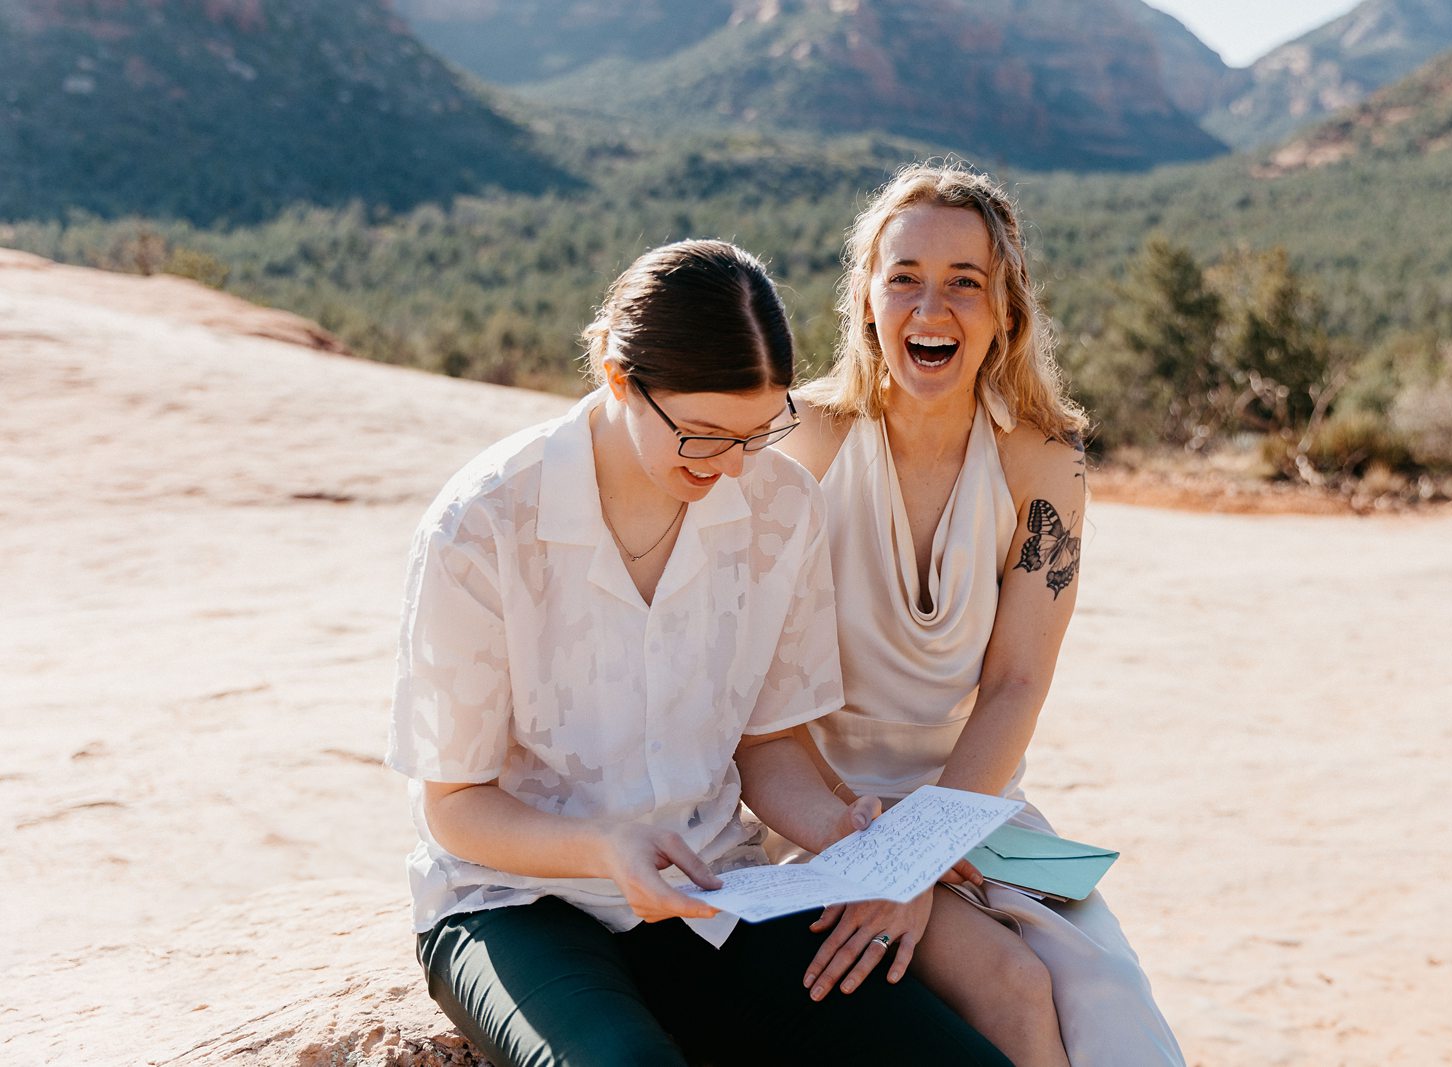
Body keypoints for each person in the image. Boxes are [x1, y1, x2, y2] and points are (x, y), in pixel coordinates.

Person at [384, 239, 1010, 1067]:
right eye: (703, 435)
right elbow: (454, 803)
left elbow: (767, 744)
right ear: (616, 376)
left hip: (718, 889)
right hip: (515, 902)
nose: (733, 466)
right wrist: (606, 847)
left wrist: (849, 831)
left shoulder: (781, 504)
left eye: (760, 431)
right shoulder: (483, 522)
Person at [775, 164, 1187, 1066]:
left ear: (1008, 311)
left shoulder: (1045, 460)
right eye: (906, 278)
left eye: (967, 283)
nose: (934, 307)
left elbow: (1016, 682)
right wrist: (882, 853)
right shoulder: (799, 440)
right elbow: (752, 687)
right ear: (867, 299)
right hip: (815, 810)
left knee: (1107, 997)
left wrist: (927, 847)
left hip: (976, 799)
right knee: (1013, 987)